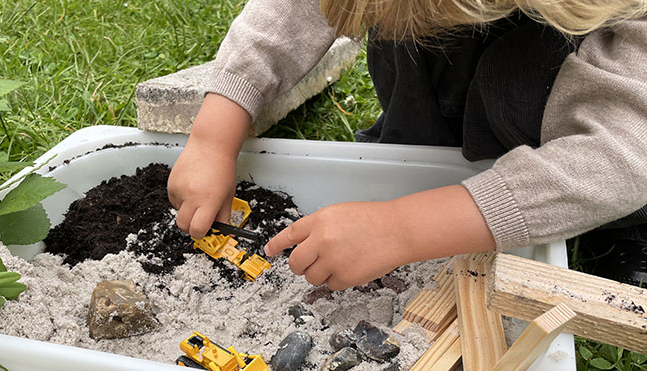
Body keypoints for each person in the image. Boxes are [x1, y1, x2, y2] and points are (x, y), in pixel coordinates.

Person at [167, 0, 647, 290]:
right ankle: (420, 149)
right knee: (404, 30)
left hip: (604, 125)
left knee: (516, 77)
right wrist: (214, 135)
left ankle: (626, 227)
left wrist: (402, 229)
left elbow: (623, 154)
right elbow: (292, 11)